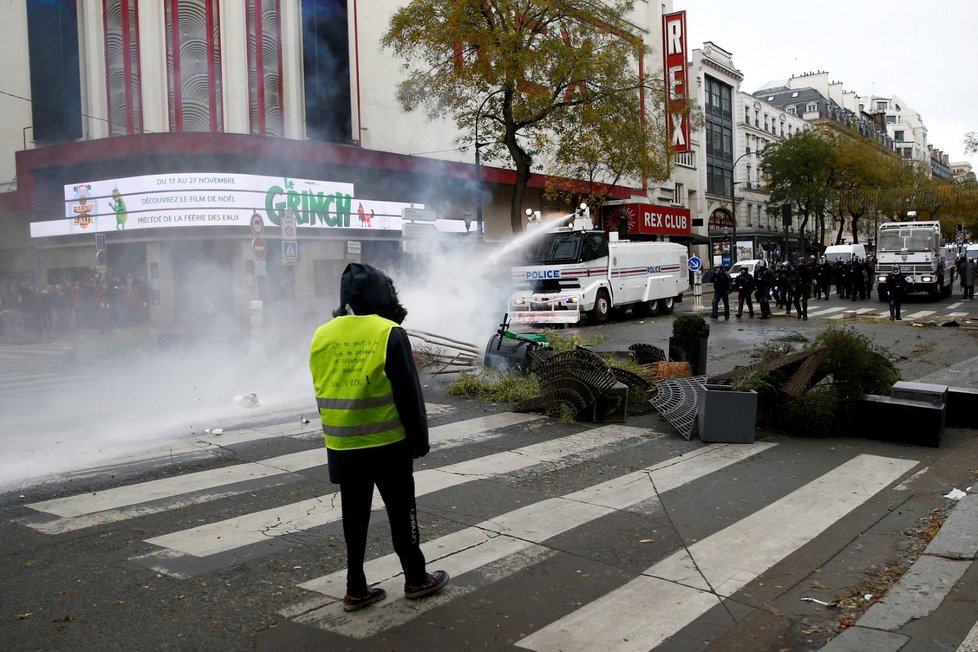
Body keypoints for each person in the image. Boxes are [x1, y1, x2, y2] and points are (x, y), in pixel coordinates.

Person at [309, 262, 449, 612]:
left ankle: (355, 587)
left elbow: (323, 388)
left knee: (353, 519)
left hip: (343, 446)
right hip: (388, 445)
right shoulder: (389, 333)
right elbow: (408, 395)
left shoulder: (321, 335)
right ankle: (416, 578)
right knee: (402, 513)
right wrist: (419, 441)